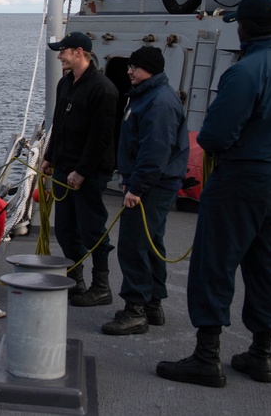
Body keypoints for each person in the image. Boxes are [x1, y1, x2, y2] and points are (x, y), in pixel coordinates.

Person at [156, 0, 271, 387]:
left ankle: (206, 357)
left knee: (215, 262)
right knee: (266, 265)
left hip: (244, 179)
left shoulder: (244, 72)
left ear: (246, 27)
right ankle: (261, 355)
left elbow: (215, 135)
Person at [102, 46, 188, 335]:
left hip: (152, 186)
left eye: (135, 67)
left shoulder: (159, 102)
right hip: (152, 183)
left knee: (134, 243)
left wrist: (136, 187)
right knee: (151, 242)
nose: (129, 71)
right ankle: (152, 304)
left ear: (150, 69)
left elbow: (155, 150)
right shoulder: (148, 95)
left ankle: (135, 309)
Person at [40, 31, 119, 307]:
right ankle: (76, 281)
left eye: (63, 51)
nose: (59, 56)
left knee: (92, 228)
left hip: (90, 173)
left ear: (79, 52)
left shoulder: (103, 89)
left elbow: (101, 137)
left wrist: (82, 171)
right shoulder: (66, 84)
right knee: (65, 229)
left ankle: (101, 286)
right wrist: (49, 156)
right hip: (64, 168)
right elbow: (59, 125)